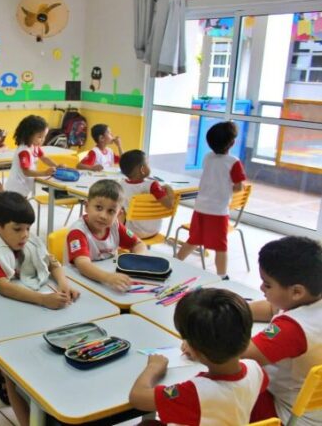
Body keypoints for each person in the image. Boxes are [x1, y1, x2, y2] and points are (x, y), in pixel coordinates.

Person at [0, 191, 80, 424]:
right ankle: (4, 374)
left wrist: (64, 284)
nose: (25, 235)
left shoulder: (31, 240)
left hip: (32, 311)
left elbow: (52, 263)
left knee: (46, 354)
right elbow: (4, 287)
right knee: (14, 370)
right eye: (17, 229)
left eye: (28, 228)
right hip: (3, 315)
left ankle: (33, 390)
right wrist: (43, 300)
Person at [129, 288, 268, 425]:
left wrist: (153, 367)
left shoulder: (194, 393)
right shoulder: (256, 370)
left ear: (194, 350)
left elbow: (137, 397)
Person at [243, 237, 322, 425]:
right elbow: (272, 308)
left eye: (267, 285)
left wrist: (201, 337)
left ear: (296, 292)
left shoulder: (293, 329)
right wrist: (236, 309)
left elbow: (237, 354)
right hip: (312, 407)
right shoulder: (310, 297)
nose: (261, 288)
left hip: (286, 413)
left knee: (219, 388)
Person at [176, 121, 246, 279]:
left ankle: (176, 261)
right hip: (218, 211)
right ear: (232, 143)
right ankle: (222, 276)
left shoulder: (207, 157)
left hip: (200, 207)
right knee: (221, 246)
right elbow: (239, 187)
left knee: (193, 239)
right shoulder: (234, 162)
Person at [65, 179, 146, 292]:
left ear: (119, 214)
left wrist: (138, 259)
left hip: (106, 281)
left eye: (111, 211)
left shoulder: (115, 226)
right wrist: (108, 277)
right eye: (98, 207)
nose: (103, 216)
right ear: (86, 206)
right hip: (79, 283)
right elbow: (82, 265)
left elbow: (138, 244)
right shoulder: (77, 232)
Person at [118, 149, 174, 239]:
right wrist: (169, 189)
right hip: (154, 231)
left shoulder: (121, 184)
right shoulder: (152, 185)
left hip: (131, 233)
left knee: (120, 210)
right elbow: (169, 205)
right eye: (147, 163)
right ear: (142, 169)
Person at [5, 115, 58, 197]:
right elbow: (26, 172)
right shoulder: (24, 151)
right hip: (16, 188)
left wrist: (57, 166)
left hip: (24, 186)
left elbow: (44, 158)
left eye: (44, 136)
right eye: (40, 137)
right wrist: (45, 173)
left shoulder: (34, 146)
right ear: (28, 135)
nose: (43, 140)